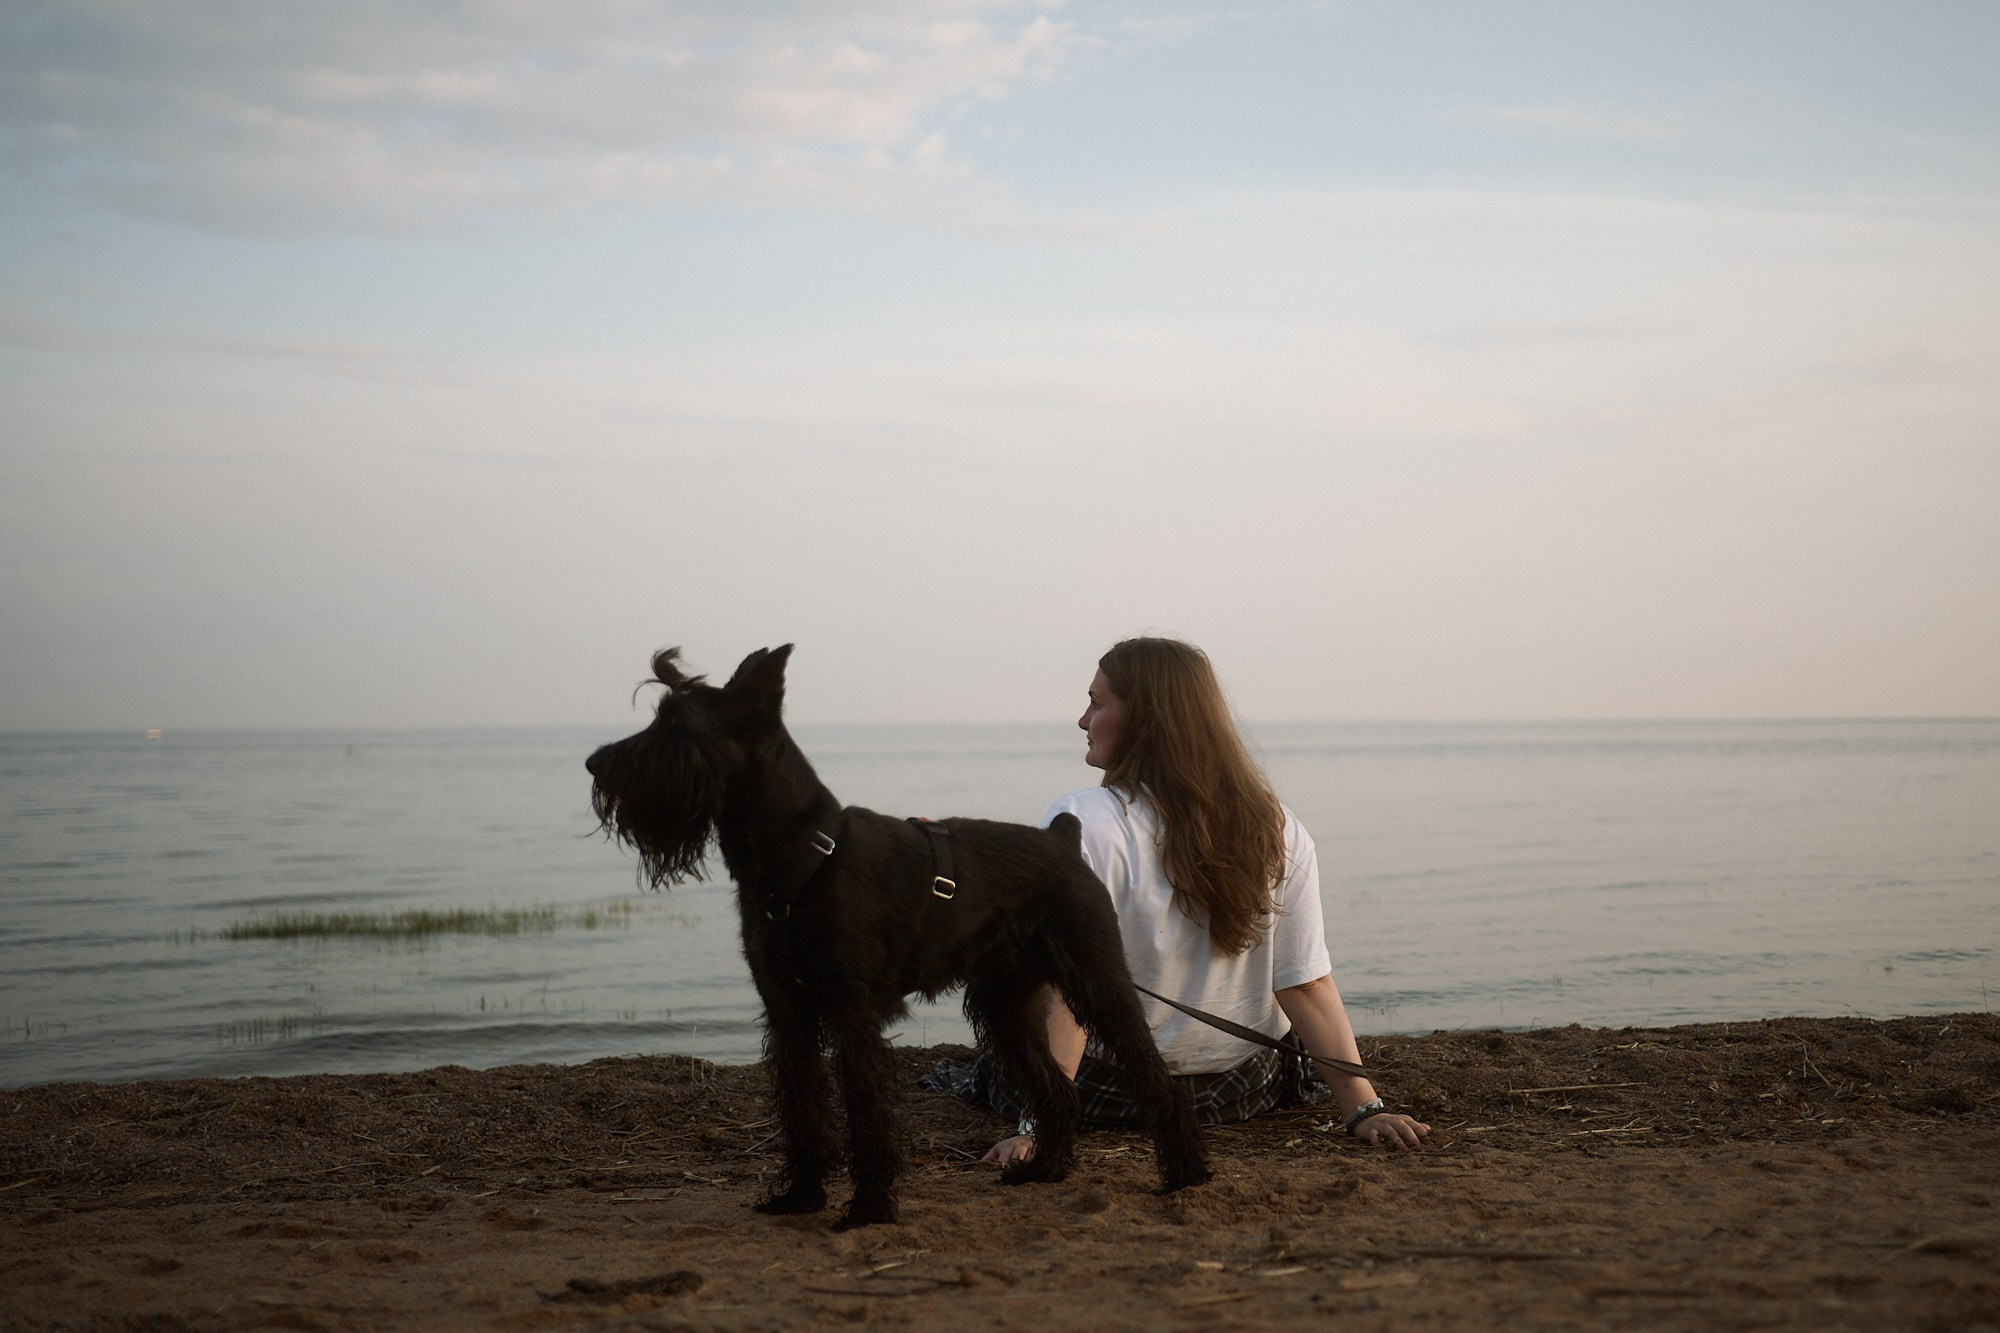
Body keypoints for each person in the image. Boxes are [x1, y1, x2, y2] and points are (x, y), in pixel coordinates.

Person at [981, 637, 1429, 1166]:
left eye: (1097, 703)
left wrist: (1039, 1128)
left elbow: (1066, 993)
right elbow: (1304, 983)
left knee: (998, 1034)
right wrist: (1363, 1108)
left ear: (1144, 720)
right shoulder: (1276, 824)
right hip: (1243, 1088)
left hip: (1116, 1092)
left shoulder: (1084, 821)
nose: (1083, 719)